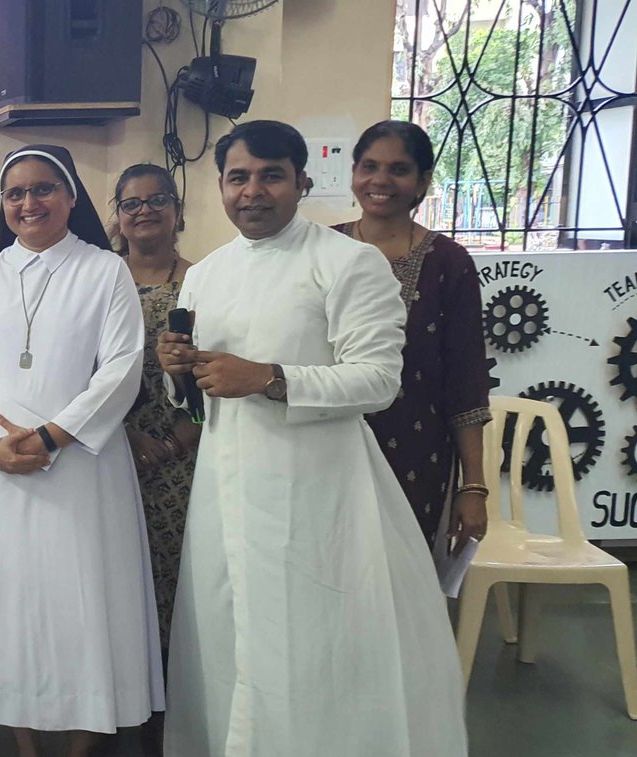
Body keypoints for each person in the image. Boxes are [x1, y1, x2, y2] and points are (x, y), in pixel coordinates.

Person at [159, 120, 467, 756]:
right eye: (238, 177)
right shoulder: (206, 274)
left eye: (271, 176)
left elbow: (378, 380)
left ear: (302, 182)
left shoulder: (348, 262)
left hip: (316, 488)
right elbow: (197, 396)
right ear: (220, 186)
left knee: (309, 643)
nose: (253, 191)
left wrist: (269, 378)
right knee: (229, 632)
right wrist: (178, 372)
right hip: (225, 486)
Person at [0, 145, 164, 757]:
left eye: (43, 189)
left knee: (83, 610)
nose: (28, 203)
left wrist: (54, 434)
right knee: (6, 611)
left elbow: (122, 368)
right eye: (15, 193)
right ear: (3, 205)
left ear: (71, 197)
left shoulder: (105, 272)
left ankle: (82, 746)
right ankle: (25, 746)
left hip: (82, 472)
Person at [334, 120, 490, 550]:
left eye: (398, 169)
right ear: (354, 173)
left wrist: (473, 486)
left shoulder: (448, 262)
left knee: (406, 572)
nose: (380, 180)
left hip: (417, 453)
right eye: (369, 166)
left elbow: (466, 380)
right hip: (328, 447)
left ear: (422, 182)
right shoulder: (322, 250)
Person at [111, 163, 199, 754]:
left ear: (177, 210)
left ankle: (162, 723)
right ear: (117, 215)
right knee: (111, 584)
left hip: (181, 464)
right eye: (132, 202)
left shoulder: (202, 282)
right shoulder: (97, 278)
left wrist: (170, 443)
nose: (144, 210)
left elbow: (215, 381)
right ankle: (107, 709)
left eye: (157, 199)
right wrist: (120, 434)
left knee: (168, 586)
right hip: (102, 453)